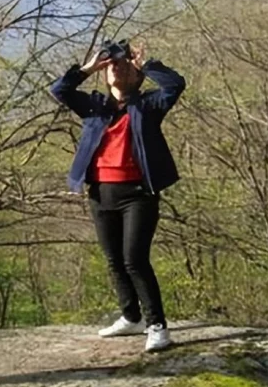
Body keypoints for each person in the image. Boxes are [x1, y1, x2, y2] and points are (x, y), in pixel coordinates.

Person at [50, 39, 186, 352]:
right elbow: (60, 90)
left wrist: (146, 64)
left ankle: (157, 326)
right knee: (114, 261)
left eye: (123, 65)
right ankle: (131, 317)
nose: (117, 68)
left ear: (136, 75)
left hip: (138, 193)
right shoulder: (94, 106)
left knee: (135, 259)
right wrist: (89, 67)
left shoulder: (147, 106)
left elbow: (176, 84)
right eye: (112, 65)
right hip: (100, 193)